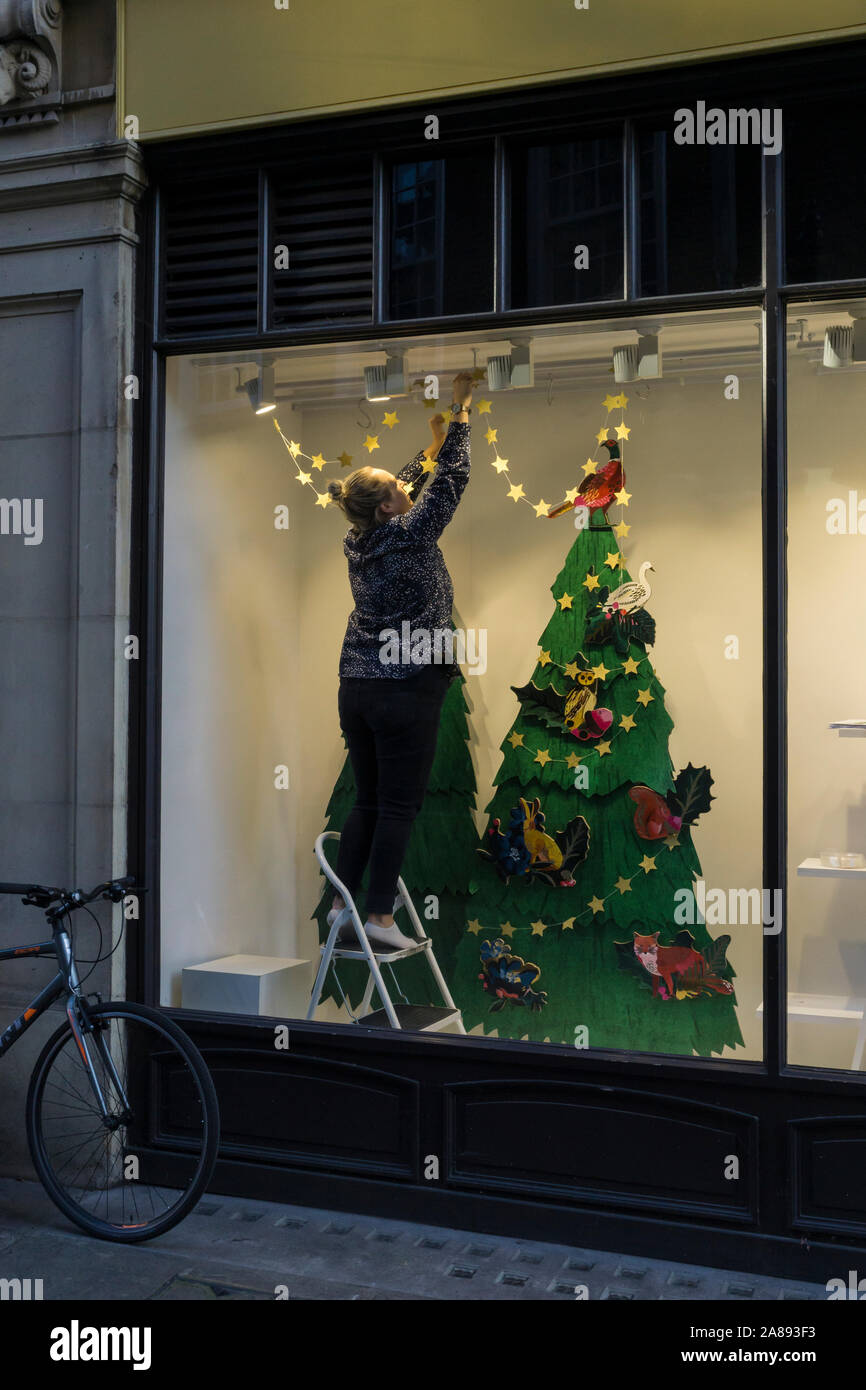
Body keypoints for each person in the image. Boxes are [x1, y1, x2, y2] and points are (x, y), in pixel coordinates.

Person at [323, 371, 474, 949]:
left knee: (368, 797)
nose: (406, 485)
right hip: (406, 686)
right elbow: (451, 481)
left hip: (356, 683)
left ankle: (342, 906)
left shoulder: (358, 535)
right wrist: (461, 412)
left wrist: (424, 452)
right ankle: (381, 919)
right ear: (388, 505)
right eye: (396, 487)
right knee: (399, 805)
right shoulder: (410, 533)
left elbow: (402, 483)